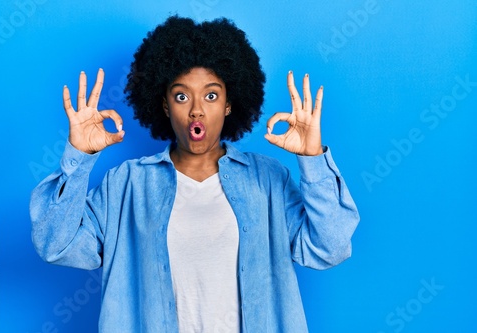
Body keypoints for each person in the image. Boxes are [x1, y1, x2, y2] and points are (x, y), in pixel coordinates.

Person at [30, 16, 359, 333]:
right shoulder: (126, 185)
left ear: (229, 104)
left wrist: (313, 159)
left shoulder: (267, 180)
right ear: (164, 105)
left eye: (212, 95)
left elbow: (330, 246)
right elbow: (57, 245)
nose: (197, 109)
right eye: (182, 96)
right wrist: (79, 157)